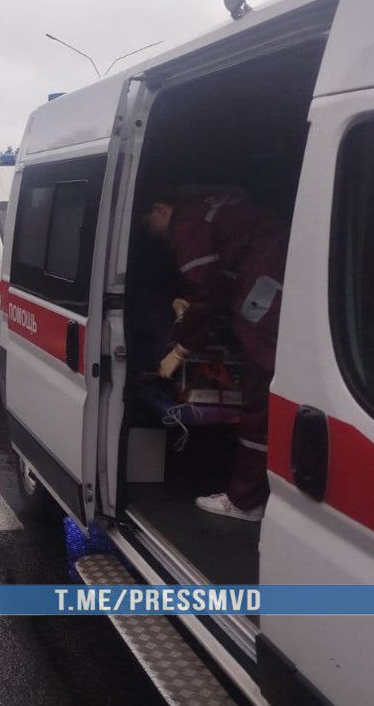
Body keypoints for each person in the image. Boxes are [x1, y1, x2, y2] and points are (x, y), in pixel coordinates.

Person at [141, 190, 288, 522]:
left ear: (160, 207)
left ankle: (245, 500)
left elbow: (206, 294)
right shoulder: (207, 208)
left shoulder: (186, 225)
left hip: (267, 287)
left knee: (258, 401)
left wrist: (179, 351)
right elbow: (214, 282)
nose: (167, 242)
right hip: (278, 273)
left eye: (157, 230)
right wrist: (185, 302)